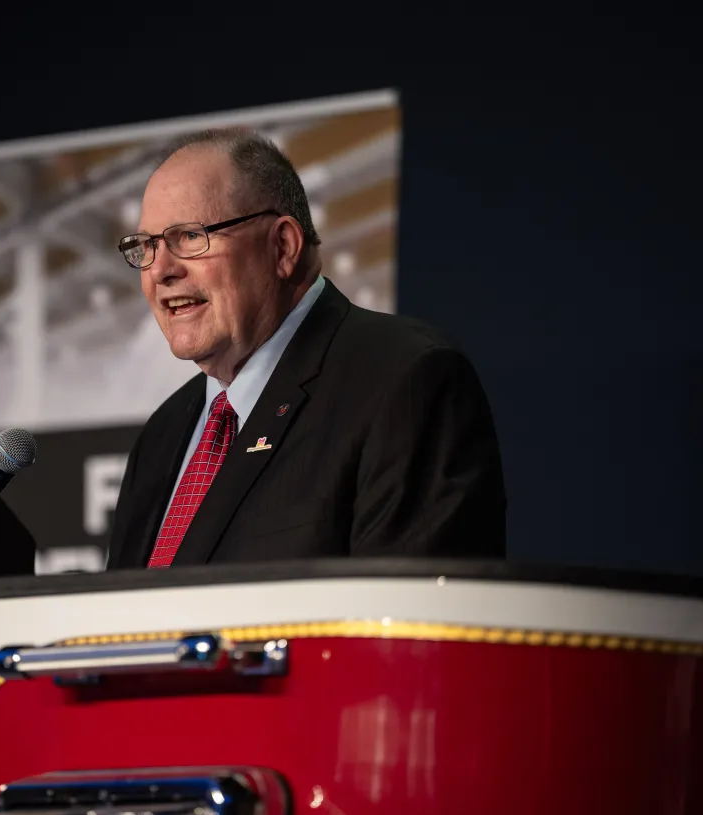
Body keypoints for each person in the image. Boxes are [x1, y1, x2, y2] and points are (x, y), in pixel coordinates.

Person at [105, 128, 506, 570]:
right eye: (145, 246)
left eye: (189, 237)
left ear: (282, 247)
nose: (160, 270)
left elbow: (411, 625)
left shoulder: (404, 382)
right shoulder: (161, 435)